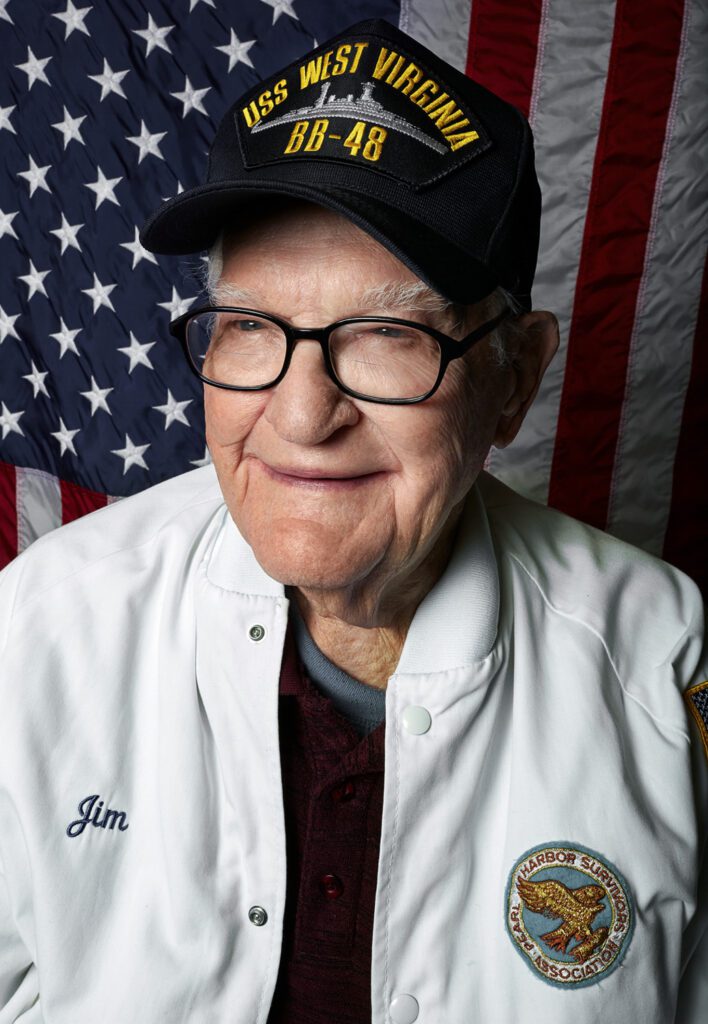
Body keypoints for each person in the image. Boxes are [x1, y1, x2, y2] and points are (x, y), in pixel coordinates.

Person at [0, 18, 705, 1024]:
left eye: (385, 333)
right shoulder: (44, 626)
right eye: (249, 326)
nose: (301, 416)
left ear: (514, 378)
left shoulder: (661, 665)